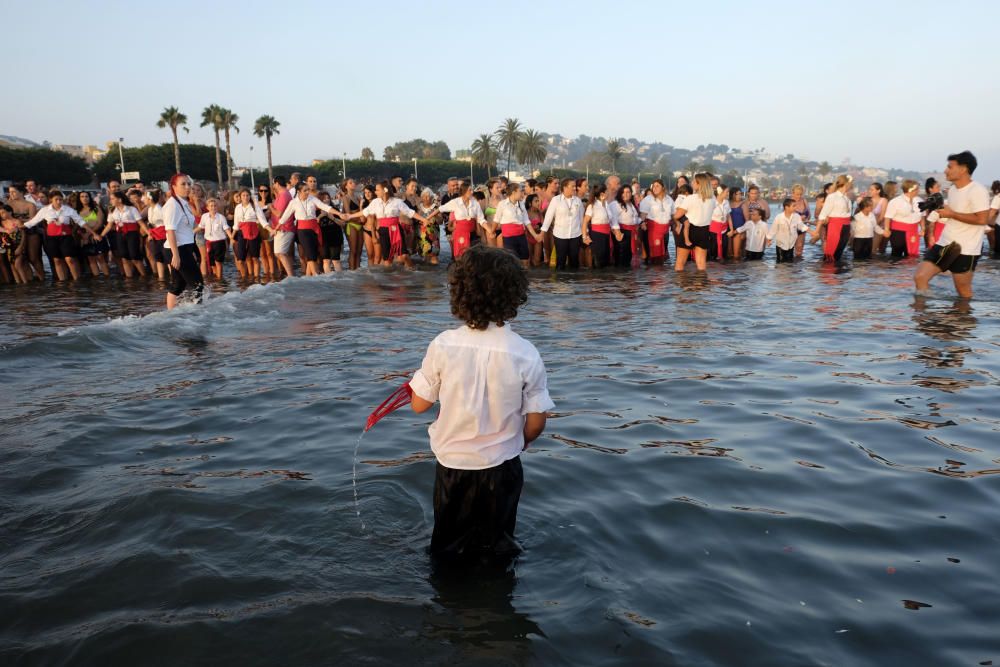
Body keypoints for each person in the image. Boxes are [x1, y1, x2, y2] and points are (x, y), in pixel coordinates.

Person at [409, 244, 554, 563]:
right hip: (502, 466)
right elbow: (536, 420)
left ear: (459, 293)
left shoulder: (443, 345)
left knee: (447, 549)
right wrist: (524, 440)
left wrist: (418, 380)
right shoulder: (525, 352)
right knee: (498, 547)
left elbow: (419, 405)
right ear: (515, 296)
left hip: (453, 466)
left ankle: (448, 600)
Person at [914, 151, 991, 299]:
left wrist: (952, 214)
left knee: (963, 292)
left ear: (963, 169)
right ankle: (923, 317)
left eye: (950, 167)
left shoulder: (977, 190)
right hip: (945, 242)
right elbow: (952, 212)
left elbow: (982, 220)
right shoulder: (953, 190)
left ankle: (962, 320)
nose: (945, 171)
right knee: (920, 277)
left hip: (966, 249)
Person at [24, 190, 98, 281]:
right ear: (51, 200)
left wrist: (93, 233)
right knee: (57, 260)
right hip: (52, 238)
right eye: (56, 199)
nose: (59, 201)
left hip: (66, 237)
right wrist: (21, 226)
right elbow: (33, 221)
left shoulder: (68, 209)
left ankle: (77, 279)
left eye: (60, 199)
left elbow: (81, 221)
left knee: (69, 259)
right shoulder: (45, 210)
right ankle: (62, 280)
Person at [163, 174, 203, 308]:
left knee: (178, 284)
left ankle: (171, 314)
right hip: (178, 249)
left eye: (188, 184)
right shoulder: (172, 205)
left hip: (186, 246)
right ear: (174, 187)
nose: (187, 187)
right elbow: (170, 231)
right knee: (198, 284)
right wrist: (176, 255)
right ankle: (197, 314)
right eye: (183, 184)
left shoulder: (184, 203)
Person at [494, 183, 543, 268]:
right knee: (511, 262)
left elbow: (526, 221)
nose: (522, 193)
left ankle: (526, 279)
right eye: (520, 191)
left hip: (521, 236)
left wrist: (536, 236)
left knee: (526, 261)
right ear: (514, 192)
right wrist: (491, 231)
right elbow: (496, 220)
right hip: (508, 237)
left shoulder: (521, 204)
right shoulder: (502, 204)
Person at [541, 178, 584, 270]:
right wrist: (542, 232)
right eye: (572, 186)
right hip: (560, 234)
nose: (574, 188)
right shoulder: (556, 200)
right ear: (565, 187)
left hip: (575, 234)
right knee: (560, 261)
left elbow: (581, 219)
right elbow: (548, 217)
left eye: (575, 186)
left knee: (574, 260)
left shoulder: (578, 201)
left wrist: (585, 234)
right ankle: (560, 282)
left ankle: (575, 282)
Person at [673, 173, 714, 271]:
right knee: (701, 264)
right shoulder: (712, 200)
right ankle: (701, 284)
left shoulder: (690, 198)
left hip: (690, 230)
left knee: (680, 262)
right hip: (704, 231)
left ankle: (681, 285)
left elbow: (677, 215)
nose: (691, 183)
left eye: (693, 181)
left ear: (698, 184)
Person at [438, 183, 487, 259]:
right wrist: (426, 218)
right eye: (470, 190)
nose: (472, 192)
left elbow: (481, 219)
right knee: (460, 255)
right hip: (460, 233)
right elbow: (440, 209)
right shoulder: (455, 202)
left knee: (472, 256)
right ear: (464, 191)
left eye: (472, 190)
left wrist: (489, 229)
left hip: (472, 233)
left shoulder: (475, 203)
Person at [7, 184, 43, 280]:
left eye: (14, 192)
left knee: (33, 258)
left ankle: (42, 278)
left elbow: (33, 220)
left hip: (31, 232)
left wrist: (19, 221)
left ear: (21, 192)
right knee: (22, 259)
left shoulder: (30, 205)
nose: (11, 194)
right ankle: (29, 279)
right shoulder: (8, 205)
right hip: (16, 234)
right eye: (10, 192)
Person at [814, 175, 854, 261]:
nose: (852, 185)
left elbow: (849, 215)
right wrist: (816, 231)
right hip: (835, 226)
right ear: (846, 183)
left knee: (839, 252)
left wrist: (851, 230)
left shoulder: (847, 198)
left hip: (846, 226)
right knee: (831, 252)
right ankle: (827, 272)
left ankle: (837, 272)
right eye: (851, 183)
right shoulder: (832, 197)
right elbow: (823, 214)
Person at [233, 188, 269, 279]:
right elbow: (236, 224)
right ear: (240, 197)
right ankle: (244, 279)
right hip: (241, 233)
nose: (245, 197)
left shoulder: (255, 206)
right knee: (240, 260)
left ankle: (256, 279)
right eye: (243, 195)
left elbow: (262, 220)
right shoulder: (237, 207)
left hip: (254, 232)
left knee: (255, 258)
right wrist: (231, 236)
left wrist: (271, 229)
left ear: (250, 196)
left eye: (247, 195)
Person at [73, 190, 110, 278]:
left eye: (86, 196)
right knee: (91, 258)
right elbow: (76, 225)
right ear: (79, 199)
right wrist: (82, 236)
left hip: (97, 234)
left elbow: (100, 222)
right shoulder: (77, 211)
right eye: (82, 196)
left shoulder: (96, 208)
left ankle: (106, 277)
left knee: (101, 257)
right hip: (84, 236)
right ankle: (97, 278)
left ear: (90, 198)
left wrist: (89, 234)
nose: (85, 198)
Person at [197, 197, 235, 280]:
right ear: (207, 207)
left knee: (218, 262)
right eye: (211, 206)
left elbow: (226, 228)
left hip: (219, 242)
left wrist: (231, 237)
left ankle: (219, 279)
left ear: (217, 207)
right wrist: (191, 232)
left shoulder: (221, 217)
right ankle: (216, 277)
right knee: (212, 263)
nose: (213, 207)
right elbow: (200, 227)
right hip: (209, 242)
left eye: (215, 206)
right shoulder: (204, 216)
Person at [883, 179, 924, 258]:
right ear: (910, 190)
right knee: (897, 254)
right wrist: (886, 229)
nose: (918, 190)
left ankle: (910, 270)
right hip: (898, 232)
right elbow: (888, 217)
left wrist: (923, 228)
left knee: (912, 256)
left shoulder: (920, 201)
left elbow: (922, 216)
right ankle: (896, 270)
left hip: (913, 231)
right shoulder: (895, 201)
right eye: (917, 189)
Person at [582, 184, 619, 269]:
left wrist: (616, 231)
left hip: (606, 234)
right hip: (597, 235)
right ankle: (597, 279)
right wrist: (584, 237)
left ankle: (604, 280)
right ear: (602, 193)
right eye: (606, 191)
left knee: (606, 258)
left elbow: (611, 220)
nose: (608, 192)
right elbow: (585, 222)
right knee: (598, 259)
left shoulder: (606, 204)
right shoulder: (592, 206)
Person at [638, 179, 673, 264]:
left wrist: (676, 224)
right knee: (653, 257)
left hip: (665, 231)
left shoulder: (668, 199)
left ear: (663, 188)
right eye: (653, 186)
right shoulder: (648, 199)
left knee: (662, 256)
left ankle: (661, 275)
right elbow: (642, 215)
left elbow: (673, 213)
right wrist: (642, 223)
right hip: (652, 230)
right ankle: (652, 276)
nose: (655, 188)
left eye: (657, 186)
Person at [768, 198, 809, 264]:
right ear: (786, 207)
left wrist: (812, 232)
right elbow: (773, 229)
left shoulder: (797, 216)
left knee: (790, 263)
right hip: (781, 245)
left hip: (791, 244)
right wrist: (769, 239)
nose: (796, 207)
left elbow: (802, 226)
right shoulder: (779, 217)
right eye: (794, 206)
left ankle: (789, 273)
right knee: (780, 263)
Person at [609, 184, 640, 268]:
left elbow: (635, 218)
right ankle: (620, 277)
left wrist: (642, 222)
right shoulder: (615, 204)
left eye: (628, 192)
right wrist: (617, 233)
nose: (625, 194)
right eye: (623, 192)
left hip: (631, 233)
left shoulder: (631, 205)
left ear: (631, 194)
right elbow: (613, 219)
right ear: (620, 193)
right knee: (620, 255)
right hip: (621, 232)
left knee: (628, 256)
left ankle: (627, 278)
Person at [144, 189, 169, 280]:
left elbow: (166, 223)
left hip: (163, 234)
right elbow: (151, 224)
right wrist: (150, 234)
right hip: (155, 235)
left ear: (150, 199)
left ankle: (173, 277)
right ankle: (161, 278)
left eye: (145, 198)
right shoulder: (150, 209)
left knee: (167, 258)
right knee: (158, 257)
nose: (143, 199)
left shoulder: (159, 209)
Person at [0, 205, 29, 283]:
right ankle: (18, 283)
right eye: (0, 213)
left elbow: (23, 235)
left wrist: (21, 247)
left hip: (18, 245)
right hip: (9, 247)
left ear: (10, 212)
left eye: (3, 213)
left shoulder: (17, 221)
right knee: (12, 266)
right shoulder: (2, 223)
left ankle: (25, 283)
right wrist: (6, 230)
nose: (2, 215)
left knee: (18, 265)